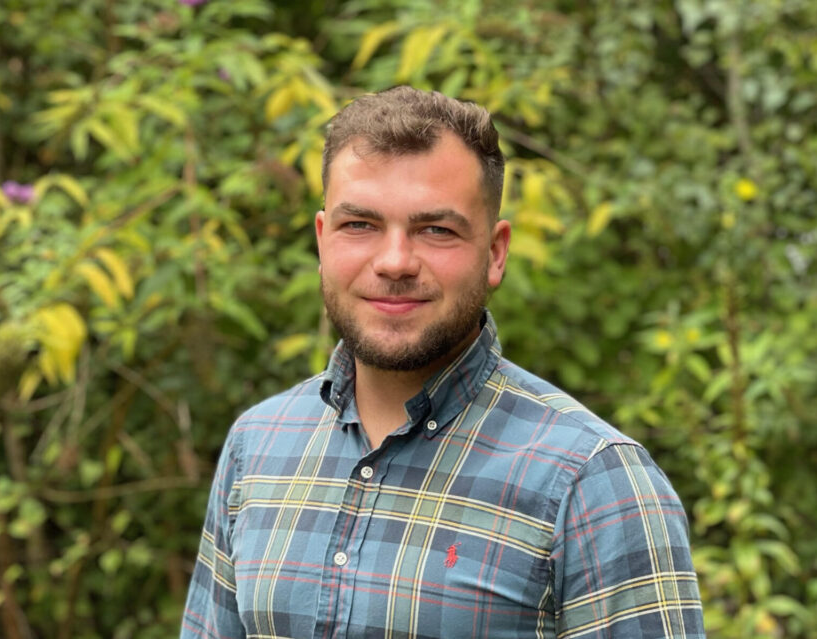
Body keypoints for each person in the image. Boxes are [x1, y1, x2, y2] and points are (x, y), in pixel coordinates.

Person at [181, 86, 705, 638]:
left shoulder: (595, 482)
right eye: (359, 225)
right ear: (321, 240)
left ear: (495, 252)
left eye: (436, 230)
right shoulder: (258, 445)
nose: (395, 262)